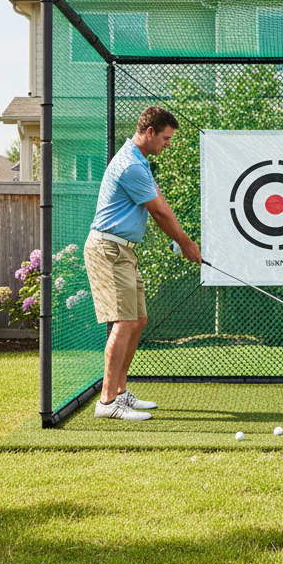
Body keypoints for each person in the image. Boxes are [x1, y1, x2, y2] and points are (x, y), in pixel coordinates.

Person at [85, 105, 202, 420]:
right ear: (150, 132)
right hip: (108, 249)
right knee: (123, 321)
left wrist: (185, 240)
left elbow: (160, 200)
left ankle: (120, 391)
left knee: (137, 320)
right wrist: (186, 244)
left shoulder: (140, 160)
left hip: (124, 251)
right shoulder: (131, 166)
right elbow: (158, 212)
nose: (168, 143)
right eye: (165, 138)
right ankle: (107, 402)